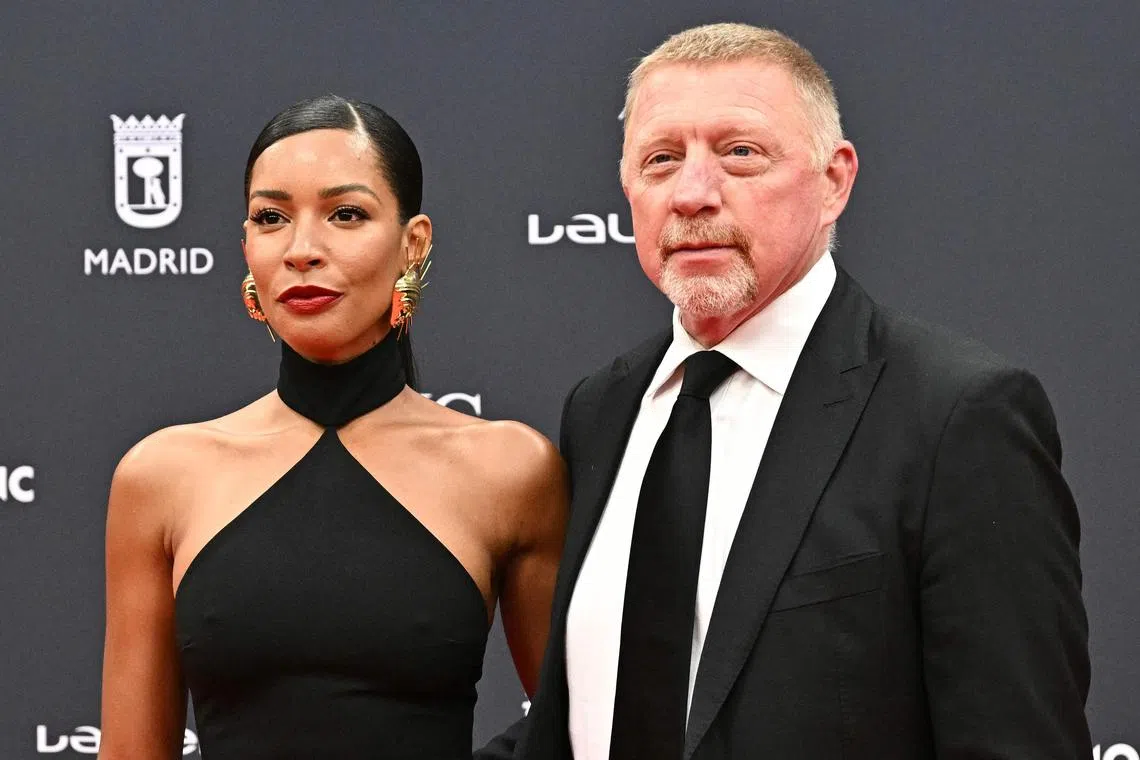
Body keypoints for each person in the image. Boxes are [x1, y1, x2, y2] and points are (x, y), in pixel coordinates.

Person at [479, 22, 1090, 760]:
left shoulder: (957, 416)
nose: (693, 194)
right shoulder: (601, 410)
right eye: (662, 160)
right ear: (627, 190)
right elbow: (587, 716)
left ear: (834, 180)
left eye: (740, 154)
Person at [98, 95, 568, 759]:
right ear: (246, 249)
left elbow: (585, 731)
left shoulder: (511, 469)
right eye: (271, 218)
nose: (302, 250)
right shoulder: (162, 475)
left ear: (414, 244)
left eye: (346, 214)